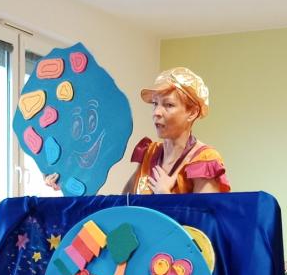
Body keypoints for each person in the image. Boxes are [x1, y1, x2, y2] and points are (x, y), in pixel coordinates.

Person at [44, 67, 229, 196]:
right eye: (155, 104)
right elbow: (124, 206)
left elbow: (205, 228)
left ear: (192, 112)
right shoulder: (150, 153)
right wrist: (70, 184)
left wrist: (166, 196)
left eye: (168, 105)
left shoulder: (204, 160)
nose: (156, 112)